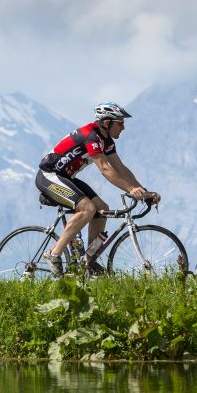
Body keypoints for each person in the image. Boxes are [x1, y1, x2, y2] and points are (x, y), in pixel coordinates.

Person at [35, 101, 160, 277]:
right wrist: (131, 190)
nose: (123, 127)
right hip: (49, 175)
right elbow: (105, 169)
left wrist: (142, 191)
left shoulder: (106, 140)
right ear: (106, 122)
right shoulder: (91, 136)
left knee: (102, 210)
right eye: (120, 123)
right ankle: (54, 253)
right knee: (87, 208)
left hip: (65, 177)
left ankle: (88, 261)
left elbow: (120, 168)